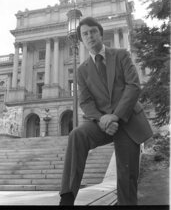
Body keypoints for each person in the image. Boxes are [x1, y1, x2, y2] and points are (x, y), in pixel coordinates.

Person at [59, 17, 153, 205]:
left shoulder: (121, 55)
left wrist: (115, 116)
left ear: (100, 33)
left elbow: (133, 86)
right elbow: (85, 102)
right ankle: (67, 196)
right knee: (77, 134)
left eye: (93, 31)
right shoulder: (82, 70)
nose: (90, 36)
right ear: (81, 40)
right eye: (85, 34)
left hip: (127, 121)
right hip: (102, 123)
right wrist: (102, 119)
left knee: (127, 177)